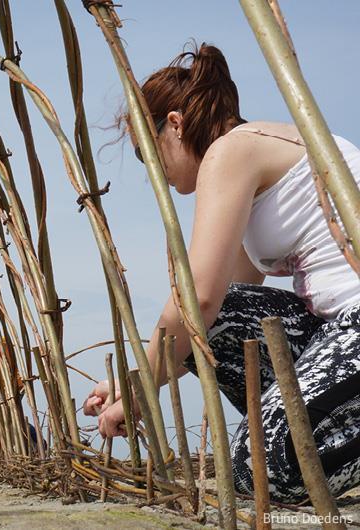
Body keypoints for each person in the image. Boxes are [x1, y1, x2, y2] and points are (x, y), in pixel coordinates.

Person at [83, 43, 360, 503]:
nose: (153, 172)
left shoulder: (231, 150)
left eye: (143, 153)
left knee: (259, 465)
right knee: (210, 330)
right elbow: (215, 318)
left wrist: (139, 396)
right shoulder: (251, 169)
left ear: (174, 124)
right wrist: (133, 381)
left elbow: (200, 300)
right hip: (333, 328)